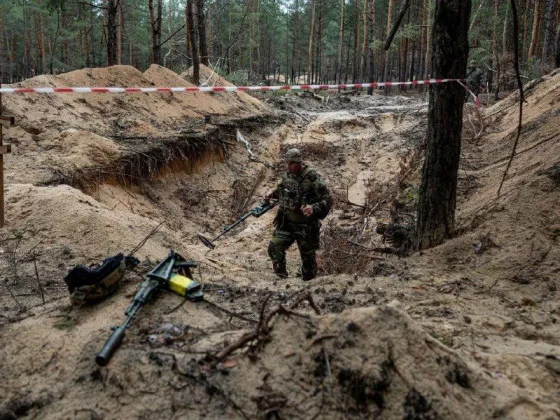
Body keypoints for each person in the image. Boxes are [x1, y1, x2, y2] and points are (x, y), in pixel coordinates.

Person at [265, 148, 332, 281]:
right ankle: (281, 278)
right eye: (287, 163)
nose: (288, 166)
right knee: (274, 247)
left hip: (305, 226)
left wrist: (313, 208)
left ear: (299, 162)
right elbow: (281, 191)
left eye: (291, 163)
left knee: (308, 260)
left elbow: (328, 200)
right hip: (287, 222)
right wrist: (271, 194)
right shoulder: (287, 176)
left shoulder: (312, 177)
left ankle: (308, 285)